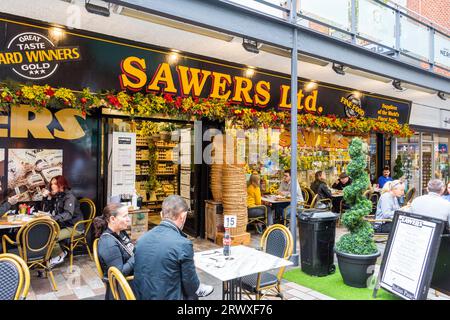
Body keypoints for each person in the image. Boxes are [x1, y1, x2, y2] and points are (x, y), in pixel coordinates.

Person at [133, 195, 213, 300]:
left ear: (161, 215)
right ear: (183, 216)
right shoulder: (183, 244)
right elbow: (191, 286)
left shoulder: (141, 240)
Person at [93, 203, 135, 300]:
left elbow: (131, 250)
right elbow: (119, 274)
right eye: (125, 216)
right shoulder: (108, 243)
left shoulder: (121, 232)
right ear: (112, 219)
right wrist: (137, 256)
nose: (128, 219)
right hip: (125, 289)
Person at [41, 175, 84, 268]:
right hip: (63, 225)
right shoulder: (58, 196)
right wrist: (46, 197)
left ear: (62, 185)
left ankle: (59, 255)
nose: (52, 186)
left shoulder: (69, 197)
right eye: (51, 184)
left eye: (55, 184)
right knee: (44, 233)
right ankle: (58, 253)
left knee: (51, 237)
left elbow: (68, 215)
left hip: (74, 227)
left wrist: (52, 219)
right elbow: (46, 209)